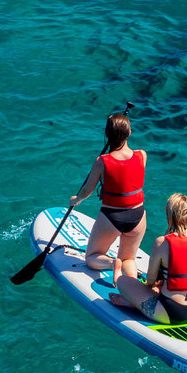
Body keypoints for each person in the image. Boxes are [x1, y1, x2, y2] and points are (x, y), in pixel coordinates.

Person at [112, 192, 187, 323]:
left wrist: (155, 285)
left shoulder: (162, 242)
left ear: (170, 217)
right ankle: (137, 302)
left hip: (171, 312)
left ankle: (131, 299)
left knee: (123, 281)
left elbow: (150, 280)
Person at [74, 111, 148, 282]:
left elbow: (88, 189)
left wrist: (76, 199)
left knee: (92, 257)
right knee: (129, 259)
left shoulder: (102, 161)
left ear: (107, 135)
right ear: (129, 133)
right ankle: (131, 286)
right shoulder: (142, 155)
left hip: (112, 217)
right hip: (138, 216)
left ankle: (112, 264)